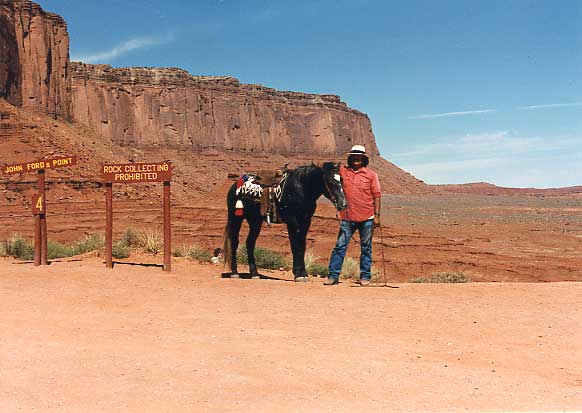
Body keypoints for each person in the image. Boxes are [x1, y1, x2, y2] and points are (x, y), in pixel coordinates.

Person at [324, 145, 381, 286]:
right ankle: (333, 276)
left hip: (367, 217)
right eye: (354, 156)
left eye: (359, 156)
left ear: (364, 159)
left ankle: (365, 277)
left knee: (366, 248)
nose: (356, 158)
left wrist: (377, 215)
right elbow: (329, 176)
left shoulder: (371, 175)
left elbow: (377, 195)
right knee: (340, 246)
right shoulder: (343, 171)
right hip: (347, 217)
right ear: (350, 158)